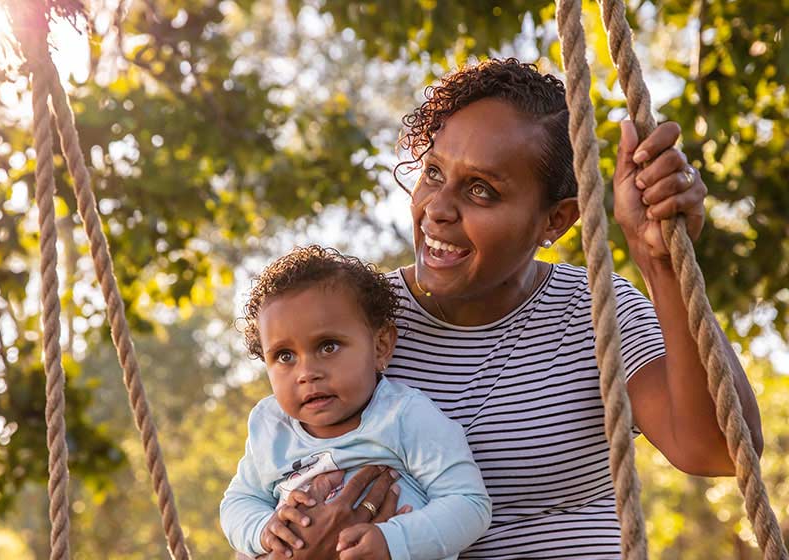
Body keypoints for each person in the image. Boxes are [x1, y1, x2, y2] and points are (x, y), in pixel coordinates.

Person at [250, 58, 763, 560]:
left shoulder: (597, 311)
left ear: (555, 220)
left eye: (481, 190)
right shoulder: (353, 326)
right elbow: (275, 495)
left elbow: (717, 450)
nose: (437, 209)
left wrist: (662, 264)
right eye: (434, 172)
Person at [220, 245, 492, 560]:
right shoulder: (271, 426)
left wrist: (392, 541)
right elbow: (238, 502)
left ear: (380, 346)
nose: (307, 373)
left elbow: (469, 504)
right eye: (284, 356)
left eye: (328, 346)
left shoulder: (403, 415)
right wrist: (264, 530)